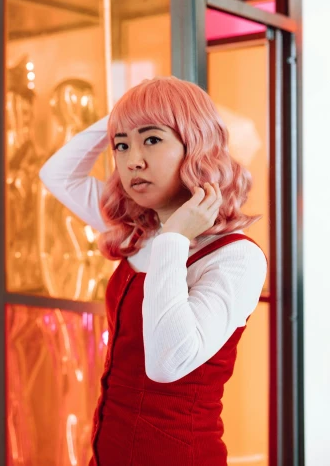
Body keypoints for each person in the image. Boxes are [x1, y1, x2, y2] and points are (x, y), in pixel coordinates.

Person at [39, 76, 267, 465]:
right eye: (122, 146)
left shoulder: (235, 258)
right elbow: (57, 175)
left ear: (196, 143)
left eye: (152, 139)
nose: (133, 161)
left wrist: (175, 239)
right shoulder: (138, 231)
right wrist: (126, 112)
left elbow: (167, 363)